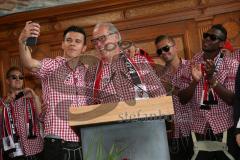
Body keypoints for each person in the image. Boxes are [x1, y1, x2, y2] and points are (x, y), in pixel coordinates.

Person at [18, 21, 88, 160]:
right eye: (68, 40)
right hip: (56, 141)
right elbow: (29, 63)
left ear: (84, 48)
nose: (72, 43)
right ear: (62, 44)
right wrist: (22, 41)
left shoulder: (86, 71)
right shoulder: (52, 65)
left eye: (77, 41)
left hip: (83, 141)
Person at [177, 24, 239, 160]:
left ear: (221, 43)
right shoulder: (190, 64)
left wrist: (211, 78)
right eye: (206, 35)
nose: (207, 39)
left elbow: (232, 99)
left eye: (213, 37)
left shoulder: (231, 64)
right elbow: (182, 99)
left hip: (225, 129)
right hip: (198, 130)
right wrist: (194, 81)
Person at [86, 22, 166, 105]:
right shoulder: (93, 72)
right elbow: (90, 106)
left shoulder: (138, 60)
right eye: (95, 41)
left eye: (102, 38)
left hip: (144, 115)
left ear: (116, 37)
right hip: (110, 117)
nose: (98, 44)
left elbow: (160, 95)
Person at [154, 35, 193, 160]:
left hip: (196, 128)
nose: (163, 53)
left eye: (166, 48)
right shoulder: (159, 76)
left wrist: (171, 89)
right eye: (159, 51)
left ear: (175, 47)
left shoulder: (192, 67)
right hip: (175, 133)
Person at [0, 66, 43, 160]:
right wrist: (4, 104)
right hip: (13, 152)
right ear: (7, 81)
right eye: (14, 77)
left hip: (34, 149)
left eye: (20, 77)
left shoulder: (31, 99)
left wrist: (35, 97)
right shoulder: (2, 102)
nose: (18, 79)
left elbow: (42, 118)